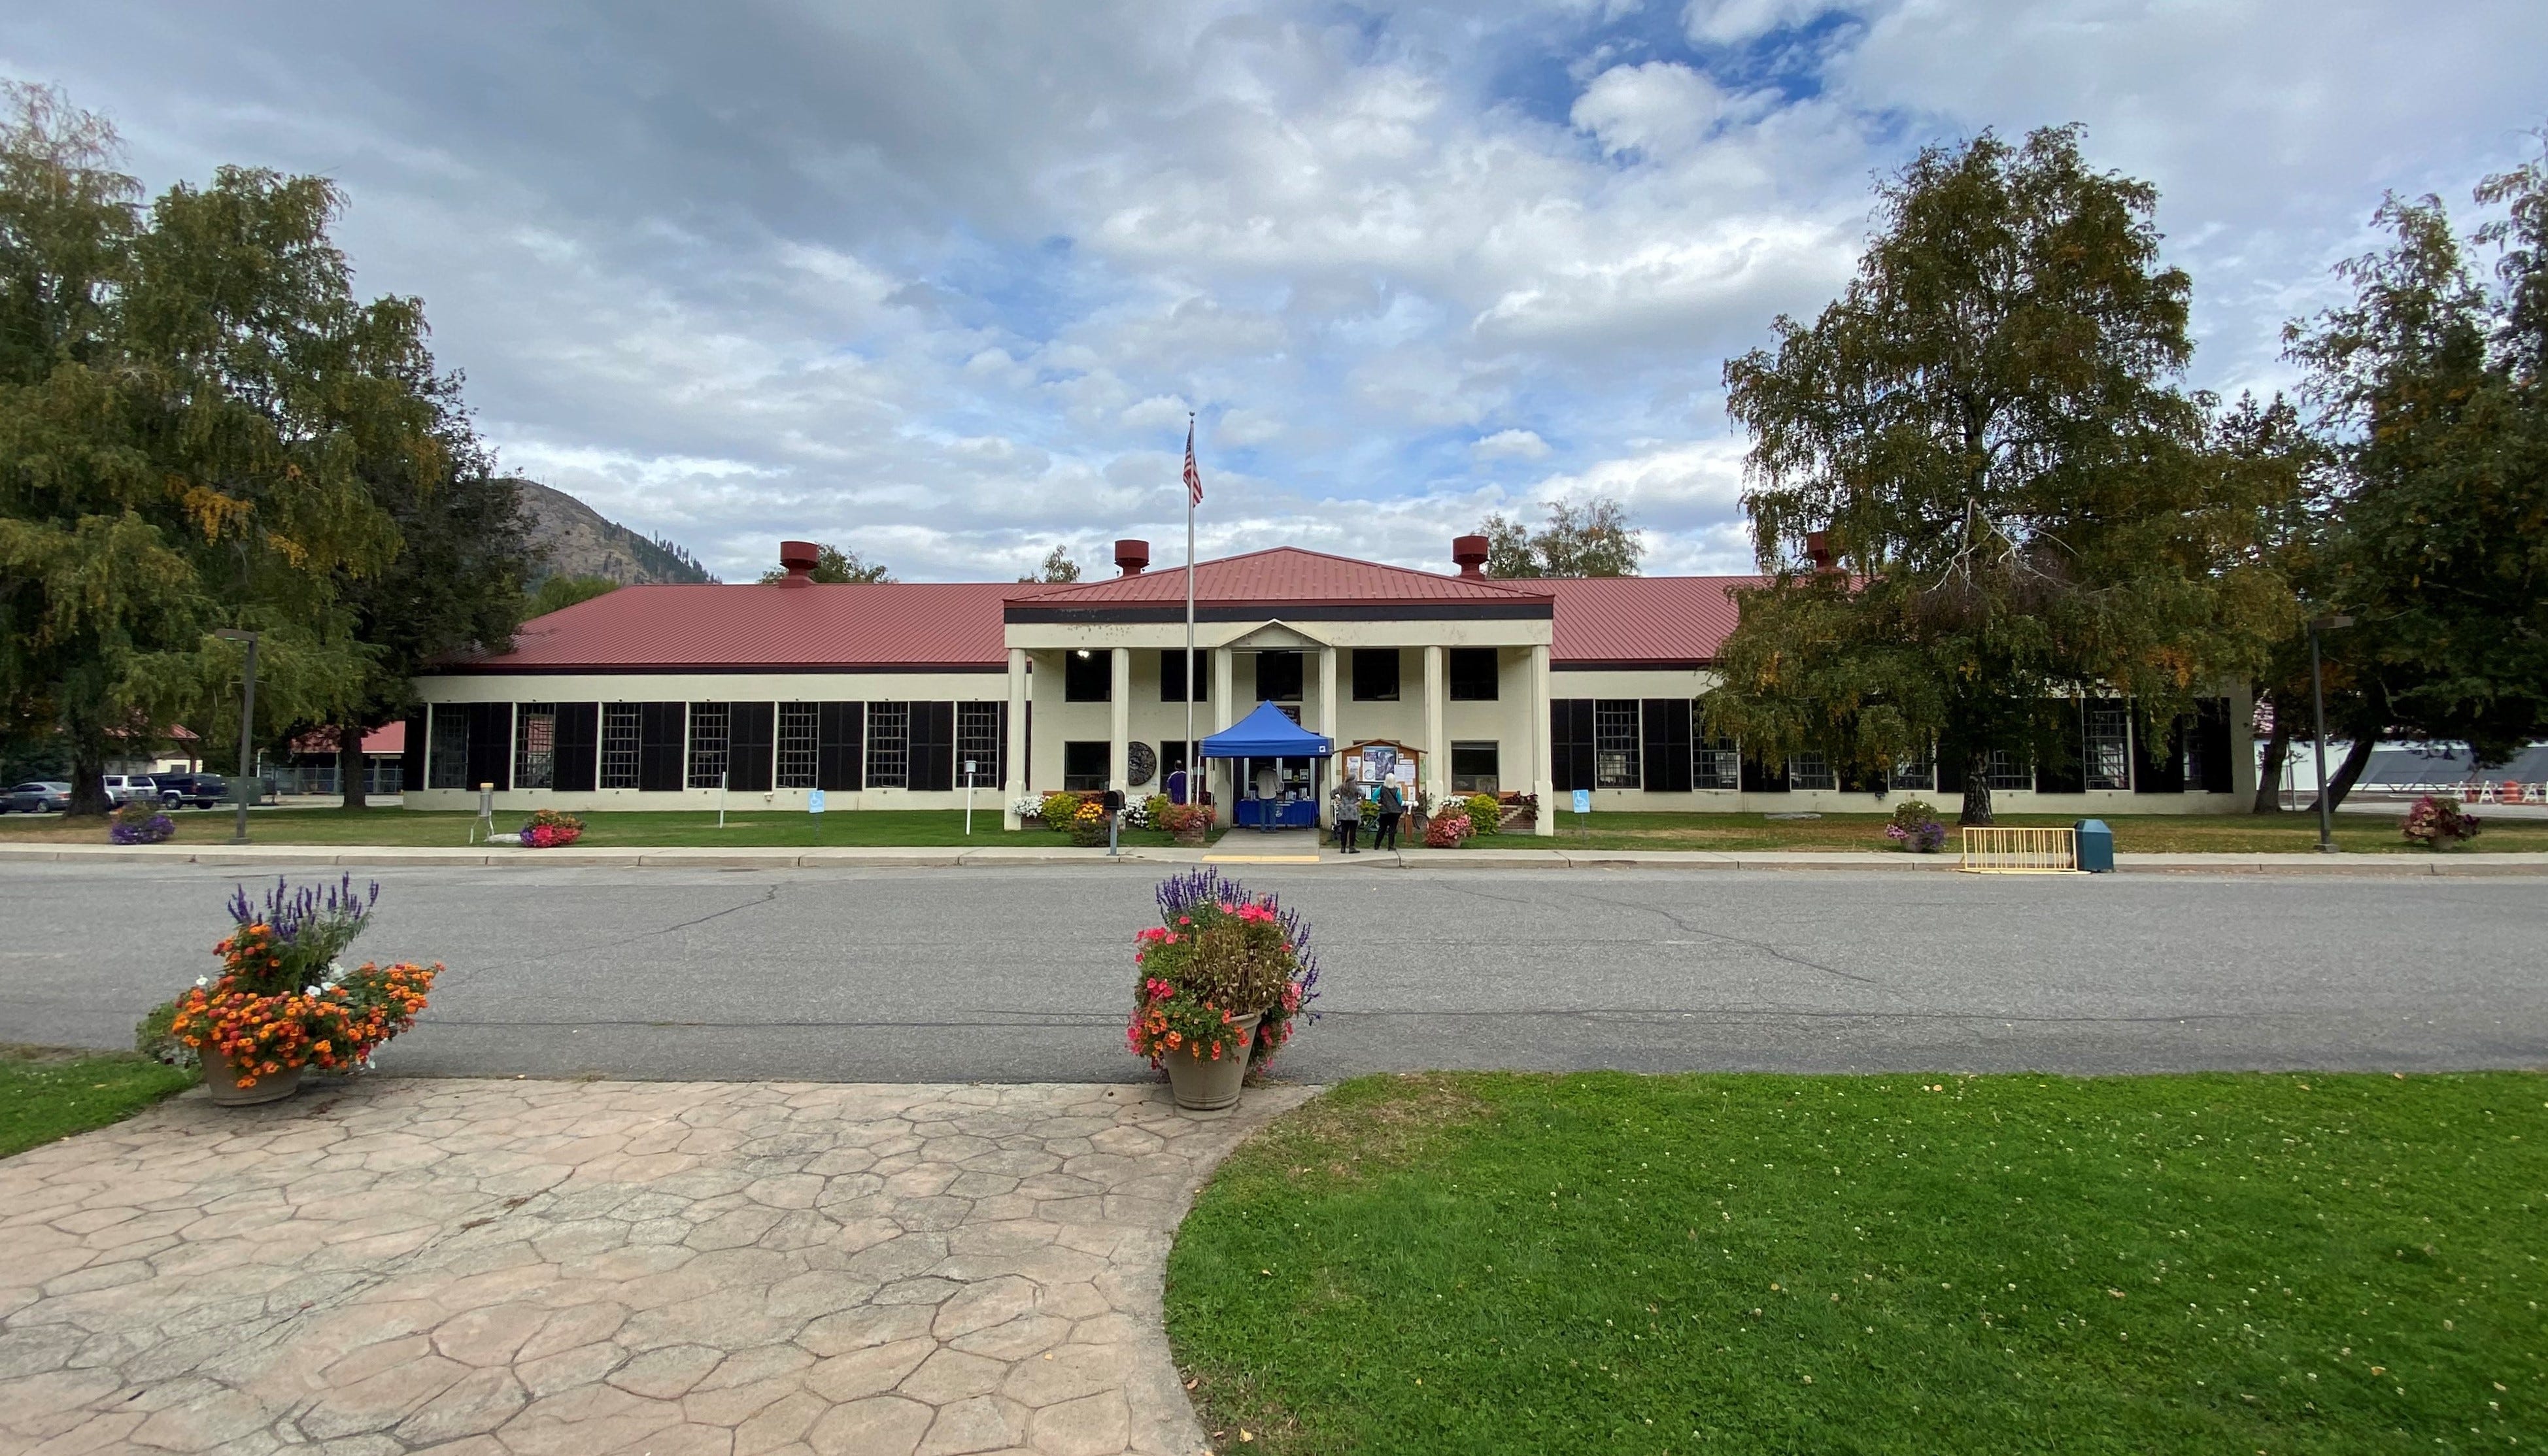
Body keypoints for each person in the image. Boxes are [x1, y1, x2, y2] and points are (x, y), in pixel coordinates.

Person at [1331, 776, 1363, 853]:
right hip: (1353, 810)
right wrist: (1360, 802)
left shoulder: (1341, 787)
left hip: (1344, 810)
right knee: (1352, 830)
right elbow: (1363, 794)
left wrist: (1338, 801)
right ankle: (1352, 847)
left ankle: (1343, 847)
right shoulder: (1356, 788)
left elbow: (1332, 793)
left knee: (1344, 830)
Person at [1372, 779, 1403, 850]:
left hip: (1384, 811)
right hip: (1395, 812)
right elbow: (1400, 801)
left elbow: (1374, 796)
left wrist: (1376, 803)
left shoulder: (1381, 788)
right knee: (1392, 829)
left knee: (1382, 828)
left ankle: (1377, 845)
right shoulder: (1397, 790)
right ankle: (1391, 846)